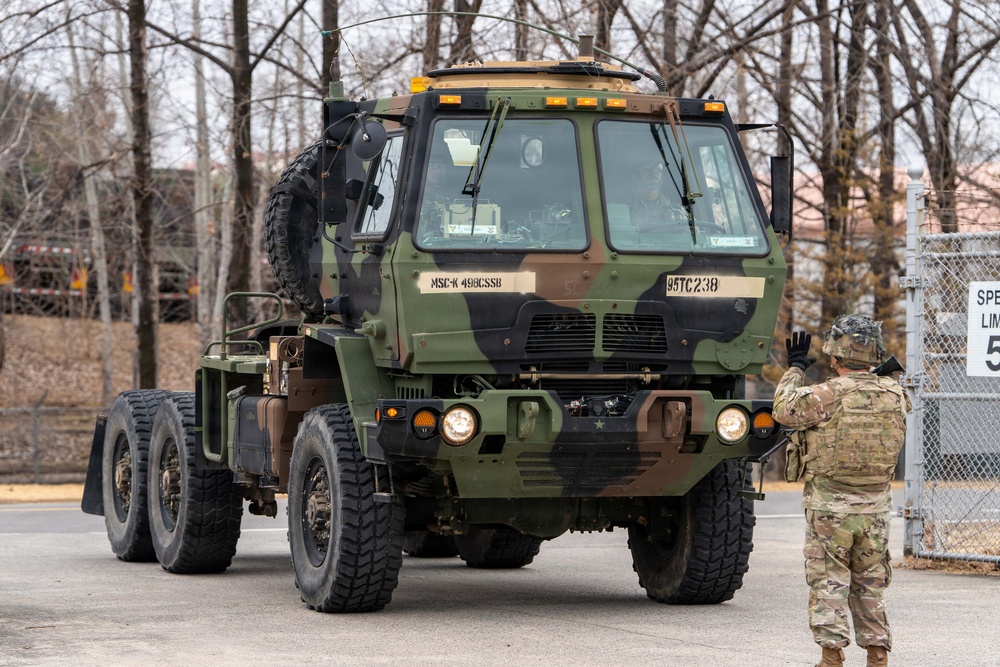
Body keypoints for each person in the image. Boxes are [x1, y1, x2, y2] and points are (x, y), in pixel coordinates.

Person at [772, 314, 910, 667]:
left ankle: (832, 658)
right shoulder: (896, 395)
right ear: (875, 353)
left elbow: (783, 409)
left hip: (830, 509)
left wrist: (796, 367)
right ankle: (878, 655)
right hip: (875, 511)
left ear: (834, 356)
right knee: (871, 584)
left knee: (829, 582)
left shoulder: (828, 394)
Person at [626, 159, 683, 230]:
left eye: (659, 167)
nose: (653, 171)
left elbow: (695, 232)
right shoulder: (623, 209)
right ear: (635, 176)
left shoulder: (676, 210)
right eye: (646, 167)